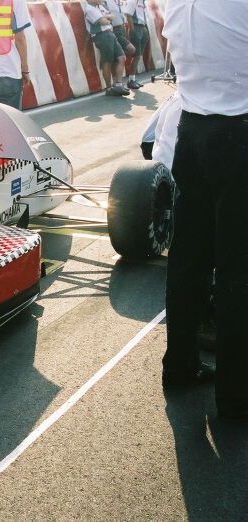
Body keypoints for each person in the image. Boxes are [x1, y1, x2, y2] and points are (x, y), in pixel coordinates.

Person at [161, 0, 248, 422]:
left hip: (191, 130)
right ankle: (236, 398)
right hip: (238, 132)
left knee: (187, 260)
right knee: (237, 270)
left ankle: (179, 366)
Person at [83, 0, 129, 96]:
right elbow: (104, 21)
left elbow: (112, 16)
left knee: (121, 58)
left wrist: (107, 18)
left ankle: (118, 85)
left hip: (110, 33)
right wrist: (107, 18)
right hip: (101, 35)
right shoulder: (89, 9)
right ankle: (109, 88)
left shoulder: (99, 7)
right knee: (108, 61)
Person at [104, 0, 137, 88]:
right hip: (114, 30)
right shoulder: (106, 1)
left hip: (122, 28)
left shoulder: (120, 1)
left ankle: (116, 82)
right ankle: (117, 82)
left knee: (117, 56)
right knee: (132, 49)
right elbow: (104, 15)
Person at [123, 0, 149, 89]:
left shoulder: (143, 2)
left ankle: (132, 79)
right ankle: (131, 80)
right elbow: (128, 16)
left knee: (139, 55)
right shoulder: (133, 1)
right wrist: (133, 30)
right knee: (136, 55)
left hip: (142, 27)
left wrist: (145, 29)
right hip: (136, 26)